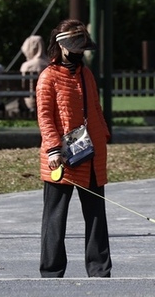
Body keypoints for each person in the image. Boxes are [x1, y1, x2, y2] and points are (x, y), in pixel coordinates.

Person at [36, 19, 111, 278]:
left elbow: (96, 107)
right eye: (75, 47)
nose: (79, 53)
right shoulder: (48, 77)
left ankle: (100, 270)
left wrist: (103, 132)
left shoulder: (87, 74)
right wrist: (53, 149)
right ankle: (52, 271)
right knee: (55, 218)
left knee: (96, 215)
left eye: (82, 47)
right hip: (61, 157)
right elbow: (45, 117)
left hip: (91, 153)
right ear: (62, 46)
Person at [19, 35, 49, 113]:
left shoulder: (26, 66)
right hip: (47, 103)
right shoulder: (50, 64)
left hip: (29, 104)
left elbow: (22, 85)